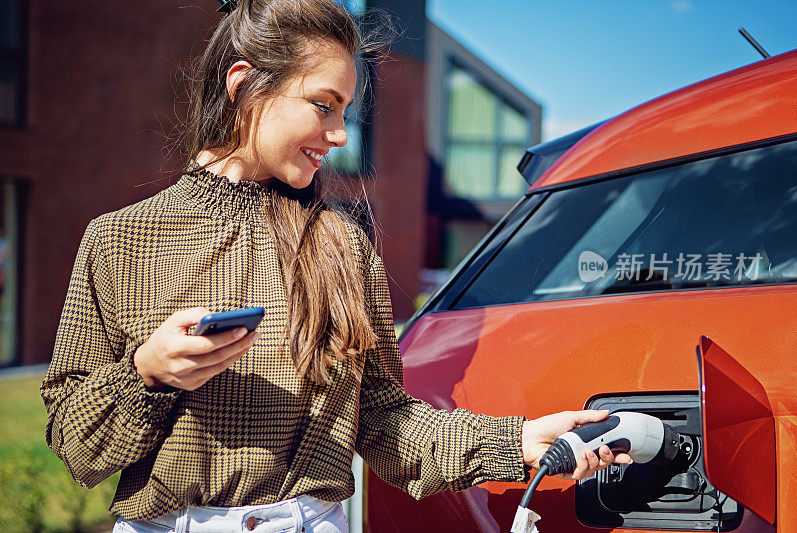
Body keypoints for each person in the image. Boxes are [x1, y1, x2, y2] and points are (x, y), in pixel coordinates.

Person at [40, 1, 630, 532]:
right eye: (323, 106)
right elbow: (75, 445)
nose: (341, 134)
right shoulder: (119, 240)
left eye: (346, 110)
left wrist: (518, 440)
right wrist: (149, 373)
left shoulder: (342, 244)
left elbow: (385, 421)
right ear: (244, 85)